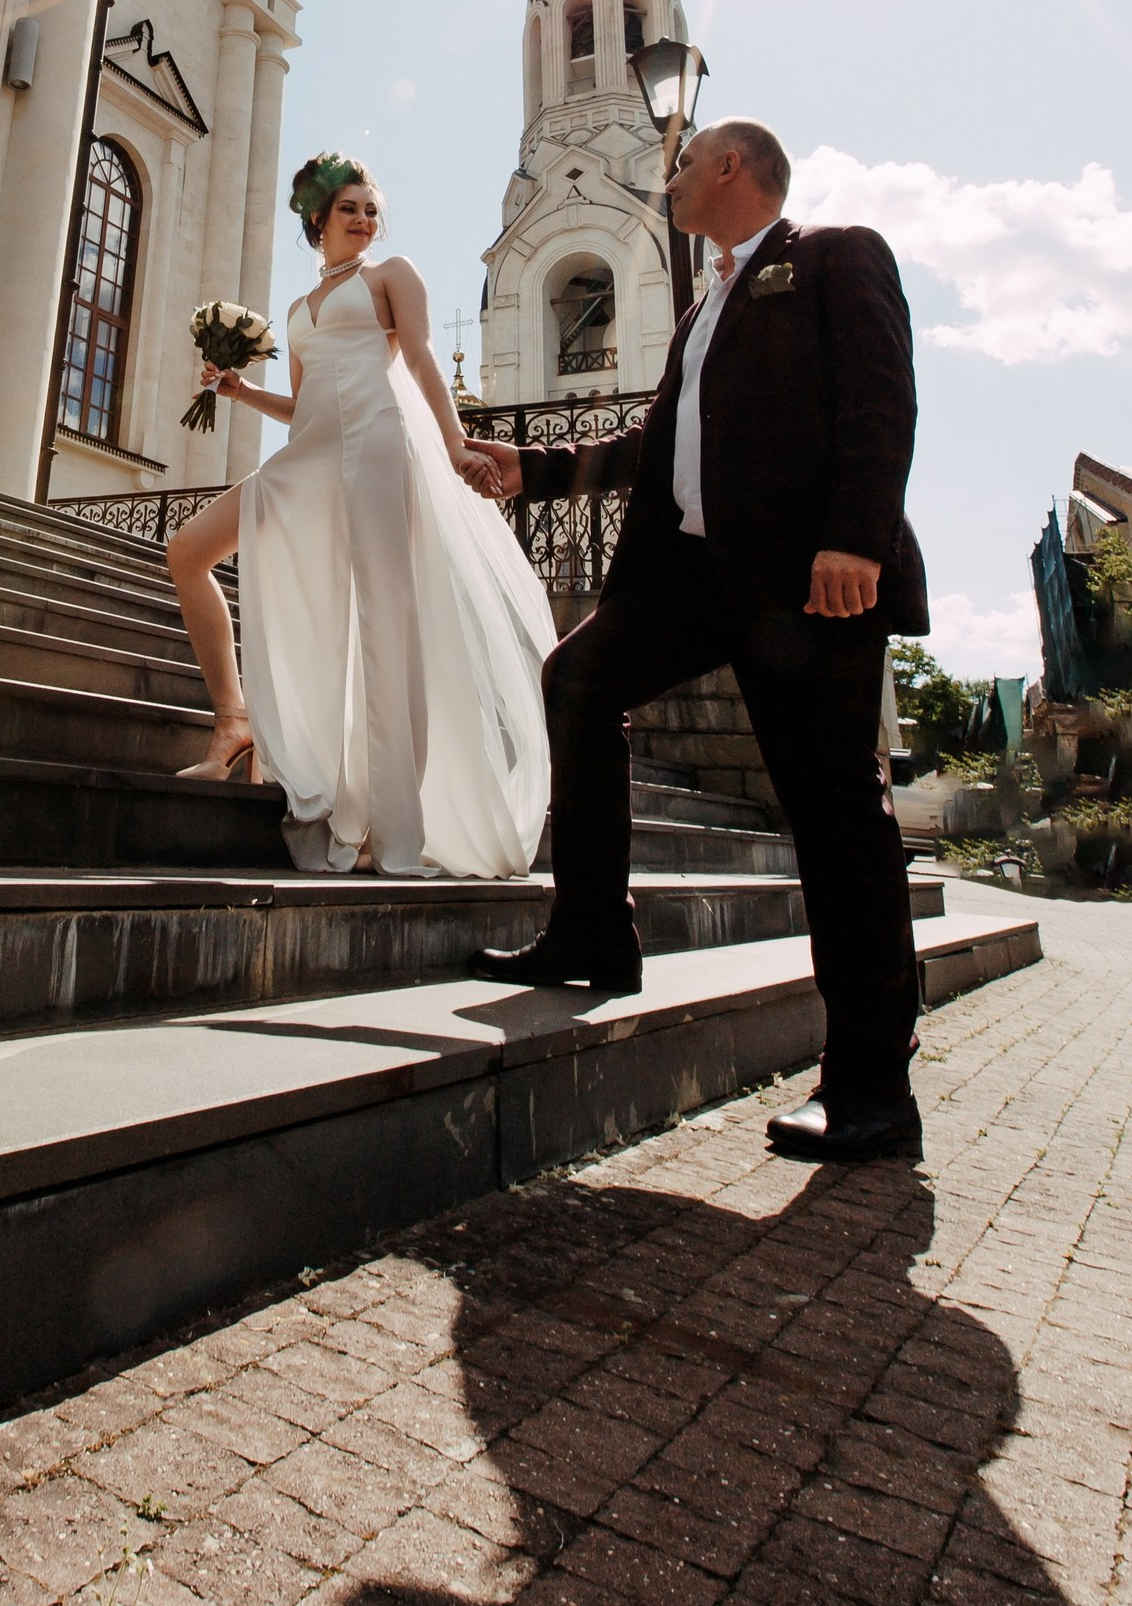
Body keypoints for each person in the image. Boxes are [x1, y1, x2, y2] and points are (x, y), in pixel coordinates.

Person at [463, 118, 930, 1163]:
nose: (668, 176)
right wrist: (529, 471)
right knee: (577, 678)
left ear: (729, 167)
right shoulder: (701, 306)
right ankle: (591, 932)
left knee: (834, 817)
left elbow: (877, 401)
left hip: (808, 581)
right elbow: (652, 442)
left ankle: (869, 1085)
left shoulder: (835, 254)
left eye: (681, 163)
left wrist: (851, 538)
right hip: (694, 576)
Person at [165, 153, 553, 877]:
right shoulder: (297, 309)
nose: (367, 219)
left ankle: (387, 822)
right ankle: (234, 721)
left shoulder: (390, 275)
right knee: (187, 550)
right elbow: (304, 409)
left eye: (372, 208)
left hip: (376, 450)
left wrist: (455, 445)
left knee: (384, 626)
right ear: (318, 219)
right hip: (310, 456)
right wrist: (240, 392)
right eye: (351, 208)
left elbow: (423, 362)